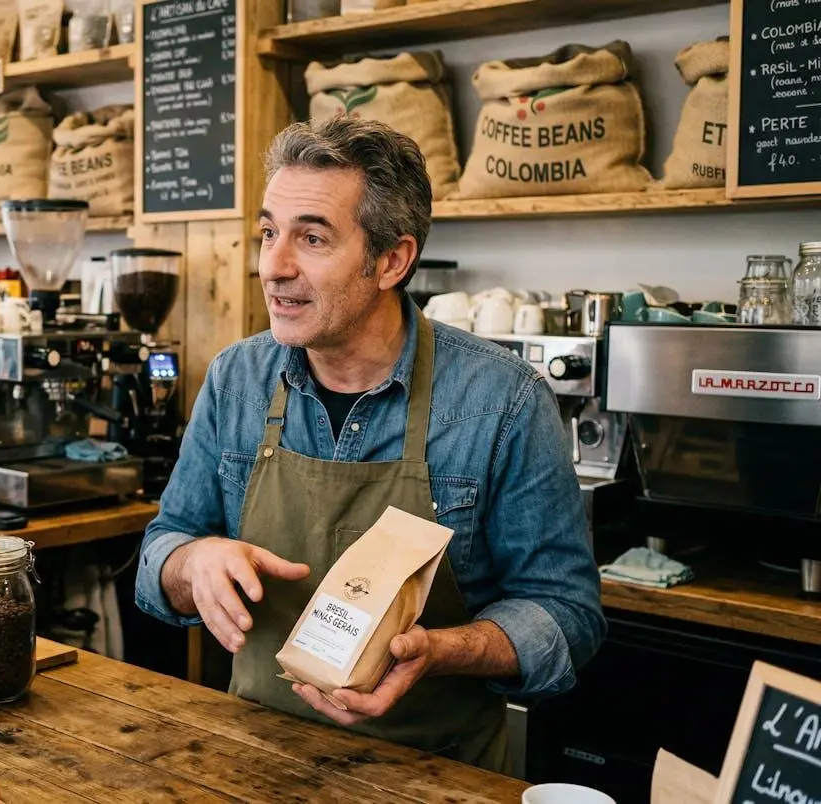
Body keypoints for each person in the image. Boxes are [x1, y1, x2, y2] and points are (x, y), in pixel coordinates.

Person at [135, 118, 605, 771]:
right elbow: (160, 551)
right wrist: (192, 564)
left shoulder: (504, 400)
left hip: (435, 772)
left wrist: (439, 651)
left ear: (392, 261)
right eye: (269, 233)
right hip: (256, 761)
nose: (273, 266)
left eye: (312, 238)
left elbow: (567, 615)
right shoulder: (236, 380)